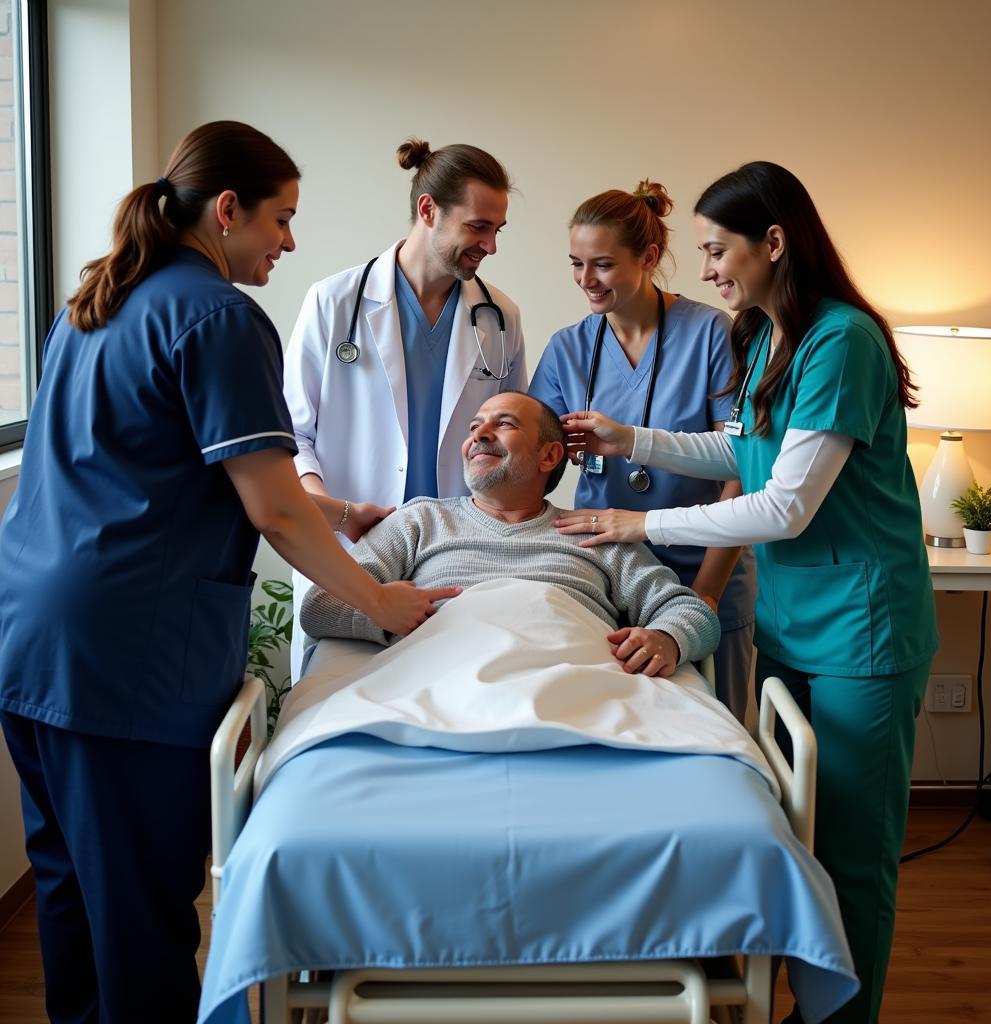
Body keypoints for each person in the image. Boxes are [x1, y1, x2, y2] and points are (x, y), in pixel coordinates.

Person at [0, 121, 455, 1024]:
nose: (289, 241)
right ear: (226, 209)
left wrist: (345, 514)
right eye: (281, 219)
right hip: (123, 655)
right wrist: (380, 602)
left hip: (31, 637)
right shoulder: (219, 317)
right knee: (141, 909)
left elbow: (177, 464)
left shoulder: (94, 302)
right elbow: (272, 507)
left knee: (71, 893)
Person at [555, 162, 938, 1024]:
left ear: (773, 241)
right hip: (796, 624)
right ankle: (804, 1001)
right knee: (799, 838)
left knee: (853, 854)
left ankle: (839, 1016)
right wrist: (632, 439)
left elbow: (786, 506)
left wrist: (637, 527)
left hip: (861, 633)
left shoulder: (841, 341)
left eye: (717, 248)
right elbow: (742, 453)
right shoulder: (767, 336)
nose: (709, 269)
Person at [284, 138, 528, 679]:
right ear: (428, 210)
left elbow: (514, 437)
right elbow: (292, 436)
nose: (490, 245)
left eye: (496, 230)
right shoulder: (334, 303)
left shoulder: (499, 317)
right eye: (478, 227)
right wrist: (334, 512)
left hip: (459, 558)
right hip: (351, 557)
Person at [529, 180, 756, 721]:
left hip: (708, 566)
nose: (586, 280)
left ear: (649, 257)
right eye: (576, 264)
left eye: (602, 264)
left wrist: (705, 594)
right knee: (618, 724)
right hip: (608, 574)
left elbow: (741, 468)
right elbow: (537, 467)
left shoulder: (710, 334)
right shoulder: (569, 347)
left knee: (717, 730)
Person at [302, 391, 719, 673]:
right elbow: (318, 606)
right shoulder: (420, 521)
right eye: (473, 428)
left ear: (549, 455)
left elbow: (695, 612)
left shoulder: (594, 535)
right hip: (437, 680)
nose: (480, 434)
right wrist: (384, 610)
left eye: (504, 424)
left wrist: (667, 638)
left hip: (571, 687)